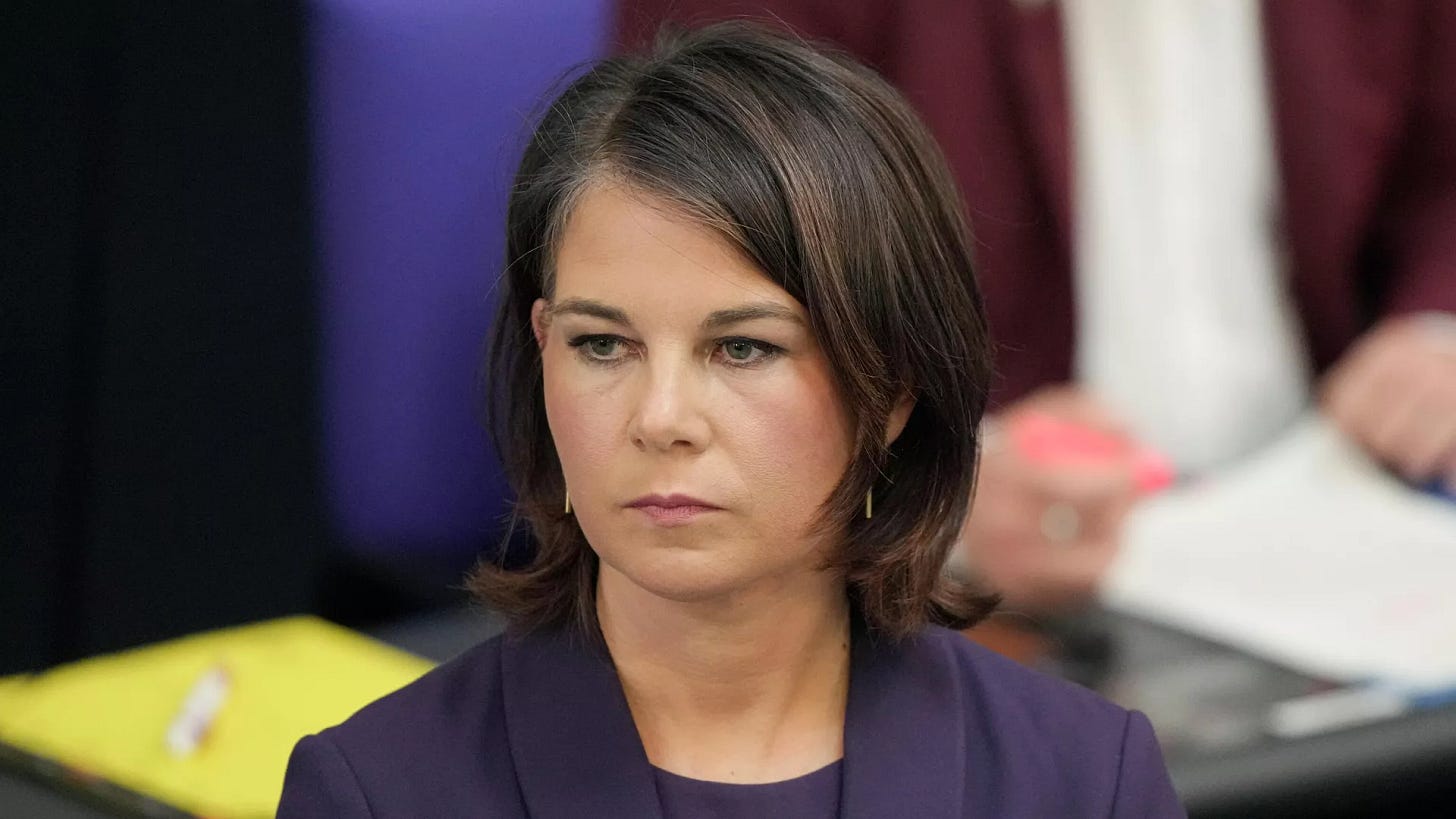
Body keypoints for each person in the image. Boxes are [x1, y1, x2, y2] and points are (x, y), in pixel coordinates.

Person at [276, 23, 1184, 818]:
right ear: (543, 347)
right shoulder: (375, 792)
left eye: (742, 348)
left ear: (895, 386)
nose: (661, 418)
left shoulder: (1084, 781)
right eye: (603, 344)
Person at [617, 0, 1456, 612]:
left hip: (1342, 531)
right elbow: (672, 294)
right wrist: (925, 498)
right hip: (946, 609)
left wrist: (1435, 327)